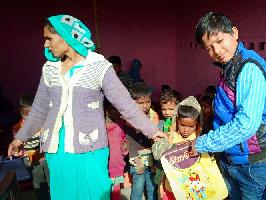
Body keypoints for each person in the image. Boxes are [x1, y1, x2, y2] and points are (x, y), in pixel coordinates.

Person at [8, 14, 165, 200]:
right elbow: (40, 109)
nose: (45, 44)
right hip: (57, 151)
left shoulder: (98, 66)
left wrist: (153, 131)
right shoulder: (49, 69)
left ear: (65, 36)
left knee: (95, 194)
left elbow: (125, 104)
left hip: (90, 149)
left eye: (49, 38)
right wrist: (20, 138)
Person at [191, 12, 266, 199]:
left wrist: (204, 143)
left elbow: (246, 124)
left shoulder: (248, 67)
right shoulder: (230, 67)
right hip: (234, 159)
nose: (216, 50)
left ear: (234, 33)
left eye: (219, 40)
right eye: (209, 47)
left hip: (255, 166)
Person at [152, 96, 202, 200]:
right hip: (171, 186)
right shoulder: (171, 136)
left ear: (197, 125)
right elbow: (156, 153)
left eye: (191, 126)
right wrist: (173, 147)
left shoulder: (200, 140)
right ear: (176, 121)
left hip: (191, 187)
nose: (186, 130)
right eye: (182, 125)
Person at [13, 93, 50, 200]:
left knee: (52, 181)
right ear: (21, 113)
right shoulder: (17, 128)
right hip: (31, 162)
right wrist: (18, 152)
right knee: (38, 183)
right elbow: (18, 148)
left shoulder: (45, 125)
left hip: (46, 159)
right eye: (27, 116)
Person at [125, 84, 159, 200]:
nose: (145, 106)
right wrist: (135, 158)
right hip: (136, 159)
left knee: (151, 186)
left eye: (148, 102)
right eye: (140, 103)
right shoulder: (129, 117)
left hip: (150, 157)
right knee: (138, 186)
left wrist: (155, 160)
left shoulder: (153, 115)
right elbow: (132, 137)